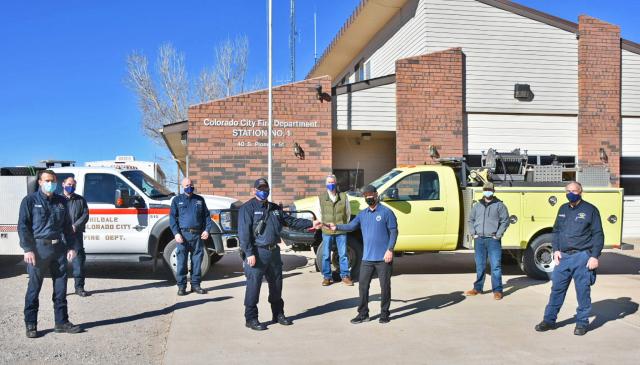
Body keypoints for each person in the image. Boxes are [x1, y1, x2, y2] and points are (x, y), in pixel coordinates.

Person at [238, 178, 322, 331]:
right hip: (257, 253)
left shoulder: (275, 208)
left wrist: (311, 224)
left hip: (274, 253)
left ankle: (278, 314)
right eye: (261, 188)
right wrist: (249, 253)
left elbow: (291, 221)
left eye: (266, 188)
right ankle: (251, 318)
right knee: (253, 287)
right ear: (254, 190)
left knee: (276, 285)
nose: (264, 191)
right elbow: (243, 234)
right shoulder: (247, 208)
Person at [18, 170, 81, 338]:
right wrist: (27, 249)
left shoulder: (61, 201)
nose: (50, 183)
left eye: (53, 180)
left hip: (58, 249)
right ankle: (31, 324)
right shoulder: (30, 201)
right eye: (47, 180)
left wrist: (72, 247)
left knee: (61, 288)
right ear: (39, 182)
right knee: (34, 288)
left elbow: (68, 226)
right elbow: (23, 226)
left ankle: (61, 322)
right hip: (38, 250)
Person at [535, 181, 603, 336]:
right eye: (568, 190)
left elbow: (598, 234)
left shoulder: (590, 210)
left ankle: (582, 323)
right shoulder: (562, 209)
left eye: (574, 190)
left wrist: (594, 256)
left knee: (582, 292)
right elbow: (556, 231)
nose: (570, 193)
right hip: (563, 258)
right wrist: (556, 250)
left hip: (582, 257)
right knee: (556, 290)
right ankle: (549, 320)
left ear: (581, 192)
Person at [329, 184, 398, 324]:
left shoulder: (386, 212)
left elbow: (394, 231)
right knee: (363, 286)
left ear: (376, 195)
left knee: (384, 286)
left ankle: (384, 313)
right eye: (365, 196)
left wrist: (390, 249)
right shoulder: (363, 214)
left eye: (370, 195)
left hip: (384, 258)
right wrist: (336, 226)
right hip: (367, 258)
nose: (368, 198)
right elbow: (351, 226)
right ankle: (363, 313)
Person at [465, 182, 510, 300]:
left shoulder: (499, 205)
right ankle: (477, 288)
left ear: (493, 191)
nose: (487, 192)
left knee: (495, 266)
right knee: (480, 265)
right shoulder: (477, 205)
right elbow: (470, 220)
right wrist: (473, 233)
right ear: (483, 191)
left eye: (490, 190)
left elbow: (505, 221)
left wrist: (498, 235)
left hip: (493, 240)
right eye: (486, 190)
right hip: (479, 239)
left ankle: (498, 290)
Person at [169, 178, 213, 296]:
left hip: (197, 235)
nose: (190, 186)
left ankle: (196, 285)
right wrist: (176, 233)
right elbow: (172, 218)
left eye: (191, 185)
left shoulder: (199, 200)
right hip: (182, 235)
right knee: (182, 262)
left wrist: (207, 230)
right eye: (187, 185)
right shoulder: (177, 200)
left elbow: (207, 217)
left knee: (197, 261)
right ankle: (182, 287)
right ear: (183, 186)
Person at [318, 174, 352, 286]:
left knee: (343, 255)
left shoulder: (343, 197)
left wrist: (342, 225)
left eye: (332, 182)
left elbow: (348, 213)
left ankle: (345, 276)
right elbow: (319, 214)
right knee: (326, 255)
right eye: (329, 182)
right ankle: (327, 277)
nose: (331, 184)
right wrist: (324, 225)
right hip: (327, 231)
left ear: (336, 183)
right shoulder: (321, 198)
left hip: (341, 231)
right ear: (326, 184)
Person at [61, 176, 90, 297]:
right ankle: (60, 290)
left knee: (78, 262)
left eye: (73, 185)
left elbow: (85, 215)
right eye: (69, 184)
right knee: (61, 264)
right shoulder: (57, 199)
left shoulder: (80, 200)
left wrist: (75, 226)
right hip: (60, 235)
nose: (71, 186)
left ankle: (79, 287)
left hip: (75, 235)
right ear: (63, 184)